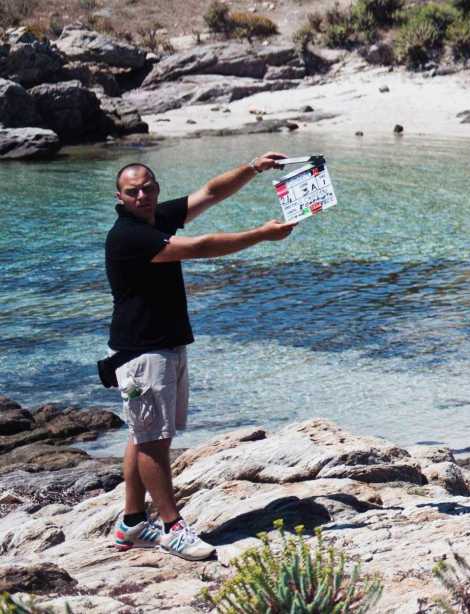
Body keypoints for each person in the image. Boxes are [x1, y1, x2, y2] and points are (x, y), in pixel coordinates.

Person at [107, 153, 296, 559]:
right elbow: (200, 247)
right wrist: (261, 235)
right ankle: (173, 528)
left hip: (163, 344)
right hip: (142, 351)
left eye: (148, 188)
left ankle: (131, 523)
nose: (142, 195)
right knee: (154, 442)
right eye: (132, 191)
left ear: (155, 188)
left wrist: (254, 167)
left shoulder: (153, 216)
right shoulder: (129, 235)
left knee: (143, 435)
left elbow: (210, 192)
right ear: (119, 198)